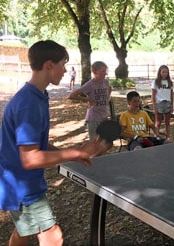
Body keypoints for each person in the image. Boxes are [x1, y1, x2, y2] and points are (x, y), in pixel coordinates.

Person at [0, 40, 112, 246]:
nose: (65, 70)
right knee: (53, 236)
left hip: (20, 182)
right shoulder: (28, 104)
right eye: (63, 64)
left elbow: (37, 144)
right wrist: (75, 154)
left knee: (23, 231)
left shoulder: (39, 96)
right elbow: (30, 158)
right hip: (20, 185)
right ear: (49, 65)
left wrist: (73, 152)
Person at [68, 61, 112, 140]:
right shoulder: (90, 84)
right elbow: (72, 96)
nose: (105, 74)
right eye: (103, 71)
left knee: (105, 142)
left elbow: (109, 90)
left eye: (106, 71)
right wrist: (88, 99)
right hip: (93, 118)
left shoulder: (106, 82)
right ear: (95, 71)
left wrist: (108, 97)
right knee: (94, 143)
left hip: (104, 117)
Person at [151, 65, 174, 140]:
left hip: (167, 102)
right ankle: (156, 135)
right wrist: (154, 106)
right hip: (159, 103)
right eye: (163, 72)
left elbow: (171, 94)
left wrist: (172, 105)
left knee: (167, 121)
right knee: (158, 121)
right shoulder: (156, 82)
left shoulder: (169, 82)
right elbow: (153, 95)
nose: (165, 74)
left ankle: (168, 136)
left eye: (166, 72)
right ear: (160, 72)